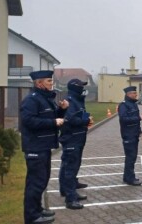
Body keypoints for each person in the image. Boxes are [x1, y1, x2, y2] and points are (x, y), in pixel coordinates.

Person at [20, 70, 68, 224]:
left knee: (42, 180)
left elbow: (52, 116)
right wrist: (53, 123)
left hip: (44, 147)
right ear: (39, 83)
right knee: (35, 183)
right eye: (48, 80)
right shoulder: (32, 100)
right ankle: (31, 217)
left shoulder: (44, 99)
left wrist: (62, 109)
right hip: (35, 147)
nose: (51, 83)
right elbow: (28, 121)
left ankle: (37, 209)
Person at [58, 79, 94, 210]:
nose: (82, 88)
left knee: (69, 165)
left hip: (77, 137)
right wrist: (85, 120)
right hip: (71, 137)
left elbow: (77, 116)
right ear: (74, 87)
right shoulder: (70, 101)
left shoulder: (77, 100)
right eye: (80, 86)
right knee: (70, 168)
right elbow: (70, 119)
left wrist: (86, 120)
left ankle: (66, 189)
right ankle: (70, 198)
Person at [118, 86, 142, 186]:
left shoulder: (133, 104)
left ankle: (127, 176)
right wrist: (138, 118)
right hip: (128, 135)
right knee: (130, 157)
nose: (136, 94)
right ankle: (130, 178)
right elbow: (123, 119)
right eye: (133, 93)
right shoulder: (123, 105)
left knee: (132, 157)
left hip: (134, 134)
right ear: (128, 94)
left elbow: (137, 121)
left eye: (135, 93)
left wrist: (139, 130)